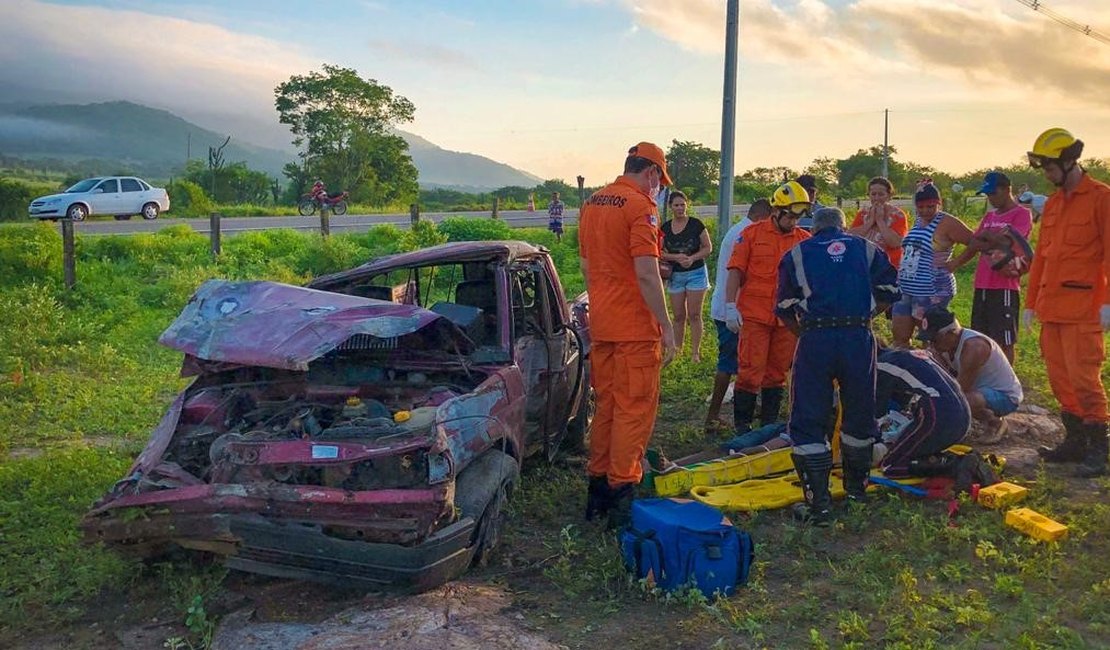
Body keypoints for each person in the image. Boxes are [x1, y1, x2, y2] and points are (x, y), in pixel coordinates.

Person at [776, 207, 900, 524]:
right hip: (857, 337)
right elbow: (890, 290)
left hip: (816, 339)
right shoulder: (867, 249)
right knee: (860, 409)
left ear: (814, 229)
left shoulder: (797, 254)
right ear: (843, 228)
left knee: (809, 415)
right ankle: (857, 492)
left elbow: (784, 308)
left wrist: (803, 334)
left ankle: (819, 505)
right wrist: (865, 318)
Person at [578, 141, 677, 527]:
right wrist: (666, 326)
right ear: (652, 173)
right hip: (635, 329)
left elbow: (587, 267)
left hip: (603, 326)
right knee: (633, 412)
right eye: (659, 180)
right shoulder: (641, 207)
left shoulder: (593, 203)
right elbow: (646, 273)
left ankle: (597, 491)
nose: (658, 188)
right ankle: (621, 497)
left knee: (607, 408)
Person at [1023, 128, 1110, 477]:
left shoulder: (1101, 198)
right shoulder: (1055, 204)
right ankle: (1074, 442)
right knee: (1060, 379)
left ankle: (1099, 450)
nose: (1046, 174)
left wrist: (1107, 300)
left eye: (1049, 167)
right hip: (1052, 308)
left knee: (1084, 378)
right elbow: (1041, 258)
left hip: (1084, 309)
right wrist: (1030, 303)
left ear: (1069, 161)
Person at [725, 182, 812, 434]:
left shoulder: (804, 241)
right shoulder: (751, 235)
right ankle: (742, 426)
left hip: (787, 320)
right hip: (754, 315)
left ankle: (768, 425)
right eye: (791, 216)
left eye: (798, 217)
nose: (794, 221)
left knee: (776, 374)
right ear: (777, 210)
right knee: (750, 372)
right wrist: (731, 306)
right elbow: (736, 271)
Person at [945, 172, 1033, 363]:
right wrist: (955, 263)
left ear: (1007, 190)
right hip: (983, 282)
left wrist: (987, 238)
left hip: (1005, 284)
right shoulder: (990, 216)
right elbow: (975, 243)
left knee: (1004, 338)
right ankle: (986, 372)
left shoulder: (1021, 214)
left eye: (993, 193)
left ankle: (1006, 381)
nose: (990, 198)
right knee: (981, 336)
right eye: (988, 194)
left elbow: (1009, 242)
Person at [705, 199, 772, 433]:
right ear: (763, 217)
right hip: (731, 309)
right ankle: (712, 416)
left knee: (746, 362)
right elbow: (740, 275)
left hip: (730, 306)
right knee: (729, 362)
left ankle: (745, 409)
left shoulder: (740, 230)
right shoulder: (746, 234)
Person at [917, 307, 1023, 443]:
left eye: (934, 340)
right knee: (948, 398)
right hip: (979, 390)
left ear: (951, 333)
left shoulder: (974, 348)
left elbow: (959, 390)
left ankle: (994, 423)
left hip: (1005, 396)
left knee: (959, 400)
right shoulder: (944, 347)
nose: (931, 344)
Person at [891, 180, 974, 347]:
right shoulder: (918, 220)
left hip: (931, 289)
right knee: (900, 335)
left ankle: (935, 369)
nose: (925, 211)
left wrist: (955, 263)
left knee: (929, 339)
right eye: (921, 207)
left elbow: (975, 241)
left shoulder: (947, 223)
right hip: (906, 287)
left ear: (939, 204)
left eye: (930, 207)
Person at [874, 348, 971, 478]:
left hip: (938, 414)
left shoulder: (882, 366)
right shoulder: (906, 356)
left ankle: (954, 467)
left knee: (890, 467)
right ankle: (946, 462)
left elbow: (876, 414)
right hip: (962, 414)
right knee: (916, 452)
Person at [660, 190, 712, 363]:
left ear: (687, 205)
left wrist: (692, 258)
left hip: (696, 272)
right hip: (675, 275)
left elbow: (707, 247)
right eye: (676, 205)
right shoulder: (665, 228)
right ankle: (678, 349)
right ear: (671, 207)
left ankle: (695, 352)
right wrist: (676, 258)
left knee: (695, 314)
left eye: (683, 204)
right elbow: (658, 251)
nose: (680, 208)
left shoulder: (696, 224)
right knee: (678, 315)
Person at [849, 177, 908, 268]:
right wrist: (870, 222)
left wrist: (880, 221)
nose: (876, 198)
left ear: (889, 196)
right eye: (873, 194)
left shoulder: (898, 215)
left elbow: (896, 243)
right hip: (866, 264)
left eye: (881, 194)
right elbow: (850, 238)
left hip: (890, 265)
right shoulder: (862, 214)